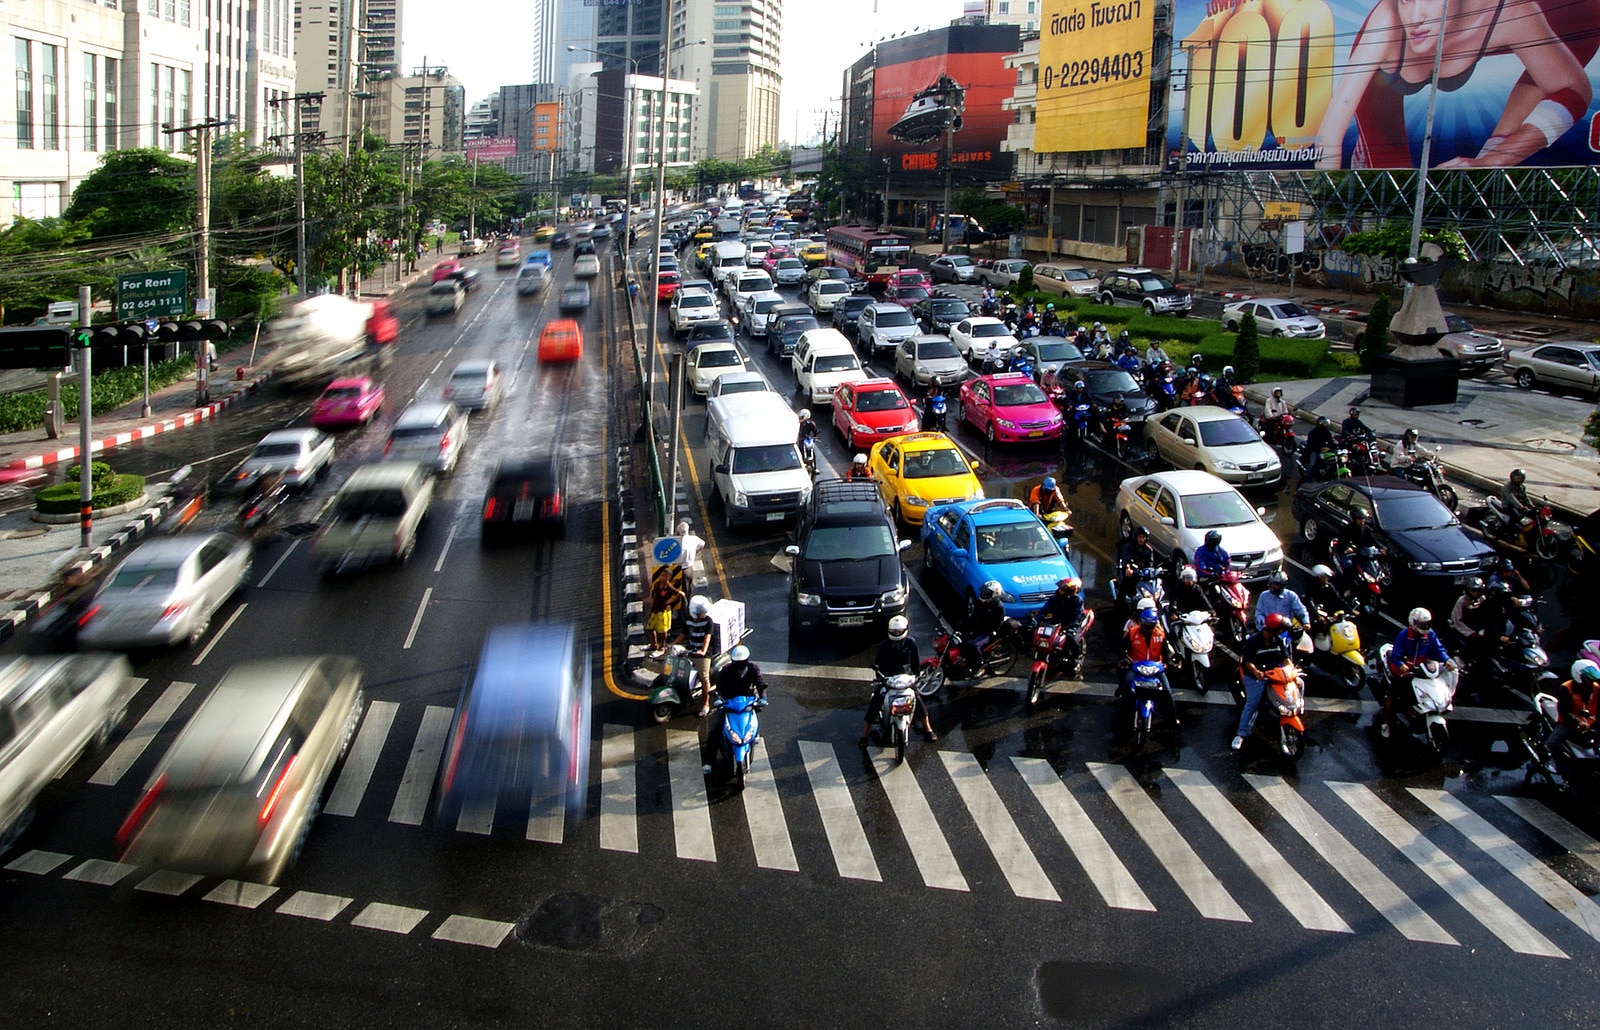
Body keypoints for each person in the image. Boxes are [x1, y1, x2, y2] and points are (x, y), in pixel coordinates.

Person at [1312, 0, 1596, 171]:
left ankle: (1494, 150)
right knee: (1391, 182)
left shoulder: (1507, 13)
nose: (1415, 16)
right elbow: (1331, 131)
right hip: (1379, 89)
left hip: (1502, 26)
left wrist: (1495, 159)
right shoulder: (1388, 19)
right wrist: (1326, 192)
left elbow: (1575, 90)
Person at [860, 615, 936, 745]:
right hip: (889, 680)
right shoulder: (884, 646)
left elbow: (915, 664)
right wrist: (881, 678)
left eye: (898, 631)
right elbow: (878, 664)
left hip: (905, 680)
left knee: (918, 700)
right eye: (894, 631)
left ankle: (927, 728)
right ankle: (864, 734)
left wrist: (916, 677)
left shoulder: (911, 643)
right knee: (876, 701)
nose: (896, 633)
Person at [1382, 607, 1455, 738]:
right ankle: (1386, 723)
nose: (1425, 627)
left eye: (1427, 624)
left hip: (1422, 669)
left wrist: (1446, 660)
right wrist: (1401, 665)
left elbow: (1439, 649)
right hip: (1405, 670)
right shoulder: (1404, 635)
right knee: (1393, 696)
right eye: (1422, 624)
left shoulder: (1430, 634)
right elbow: (1396, 655)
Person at [1234, 613, 1295, 750]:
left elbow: (1285, 658)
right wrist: (1257, 673)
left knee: (1300, 684)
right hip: (1256, 677)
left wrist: (1291, 668)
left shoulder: (1277, 640)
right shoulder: (1254, 641)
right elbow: (1247, 661)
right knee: (1253, 703)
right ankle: (1241, 733)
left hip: (1275, 675)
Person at [1121, 598, 1179, 726]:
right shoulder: (1132, 633)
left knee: (1167, 690)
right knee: (1126, 685)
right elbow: (1122, 648)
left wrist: (1168, 663)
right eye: (1145, 625)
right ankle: (1124, 715)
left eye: (1150, 626)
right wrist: (1125, 659)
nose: (1147, 628)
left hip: (1155, 667)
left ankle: (1172, 716)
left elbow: (1166, 652)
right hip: (1136, 666)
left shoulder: (1160, 634)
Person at [708, 644, 769, 760]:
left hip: (748, 702)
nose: (739, 666)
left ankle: (754, 735)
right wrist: (719, 698)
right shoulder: (726, 670)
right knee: (715, 730)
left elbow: (760, 685)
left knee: (754, 720)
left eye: (742, 662)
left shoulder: (753, 669)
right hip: (729, 703)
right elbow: (720, 687)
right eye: (737, 662)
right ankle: (709, 761)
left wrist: (763, 698)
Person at [1543, 660, 1600, 776]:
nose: (1592, 681)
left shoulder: (1596, 688)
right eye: (1589, 678)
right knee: (1552, 742)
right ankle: (1564, 770)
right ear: (1579, 677)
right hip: (1569, 724)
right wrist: (1578, 722)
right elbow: (1564, 711)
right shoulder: (1566, 688)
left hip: (1591, 723)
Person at [681, 595, 716, 716]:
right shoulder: (688, 620)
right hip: (690, 650)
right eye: (702, 612)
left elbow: (707, 638)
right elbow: (684, 634)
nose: (704, 613)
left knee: (704, 678)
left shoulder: (708, 621)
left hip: (703, 654)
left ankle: (706, 704)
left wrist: (703, 651)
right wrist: (671, 644)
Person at [1448, 576, 1494, 668]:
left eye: (1478, 590)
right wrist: (1471, 633)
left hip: (1479, 628)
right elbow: (1456, 620)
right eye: (1473, 590)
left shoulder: (1483, 599)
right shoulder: (1462, 601)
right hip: (1464, 629)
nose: (1476, 593)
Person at [647, 567, 687, 656]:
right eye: (662, 575)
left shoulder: (669, 587)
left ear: (669, 578)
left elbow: (681, 594)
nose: (663, 578)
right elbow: (654, 598)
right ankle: (654, 644)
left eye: (665, 576)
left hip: (663, 611)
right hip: (655, 610)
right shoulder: (657, 585)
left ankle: (661, 647)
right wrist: (650, 610)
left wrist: (669, 602)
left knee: (663, 631)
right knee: (650, 628)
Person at [1117, 525, 1160, 606]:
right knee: (1123, 593)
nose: (1141, 539)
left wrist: (1151, 571)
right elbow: (1125, 559)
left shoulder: (1149, 550)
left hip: (1142, 574)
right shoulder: (1129, 547)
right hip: (1131, 575)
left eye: (1143, 537)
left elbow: (1150, 565)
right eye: (1140, 537)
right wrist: (1128, 568)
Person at [964, 580, 1008, 649]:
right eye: (984, 593)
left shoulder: (999, 608)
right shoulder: (980, 603)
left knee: (974, 646)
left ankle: (979, 660)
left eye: (987, 593)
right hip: (977, 629)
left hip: (987, 633)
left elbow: (996, 625)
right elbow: (973, 617)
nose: (984, 594)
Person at [1304, 564, 1348, 628]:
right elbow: (1310, 603)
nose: (1327, 578)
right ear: (1319, 576)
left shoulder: (1329, 586)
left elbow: (1338, 598)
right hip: (1315, 618)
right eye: (1325, 576)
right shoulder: (1311, 588)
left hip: (1328, 615)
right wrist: (1317, 617)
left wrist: (1350, 610)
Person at [1303, 415, 1336, 479]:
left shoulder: (1327, 432)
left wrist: (1333, 445)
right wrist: (1320, 448)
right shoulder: (1313, 432)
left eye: (1326, 423)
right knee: (1312, 464)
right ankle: (1308, 480)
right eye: (1324, 423)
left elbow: (1330, 441)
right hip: (1315, 450)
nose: (1325, 425)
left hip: (1325, 450)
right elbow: (1310, 444)